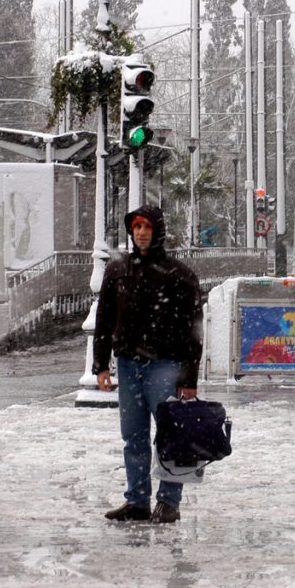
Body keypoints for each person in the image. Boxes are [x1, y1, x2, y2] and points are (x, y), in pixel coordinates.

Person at [93, 204, 204, 524]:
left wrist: (188, 377)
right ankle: (138, 501)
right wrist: (101, 364)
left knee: (172, 436)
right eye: (136, 227)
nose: (141, 233)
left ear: (158, 231)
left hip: (165, 366)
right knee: (134, 436)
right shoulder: (118, 271)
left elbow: (193, 331)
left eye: (147, 227)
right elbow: (104, 319)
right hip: (128, 365)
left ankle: (169, 501)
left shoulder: (179, 275)